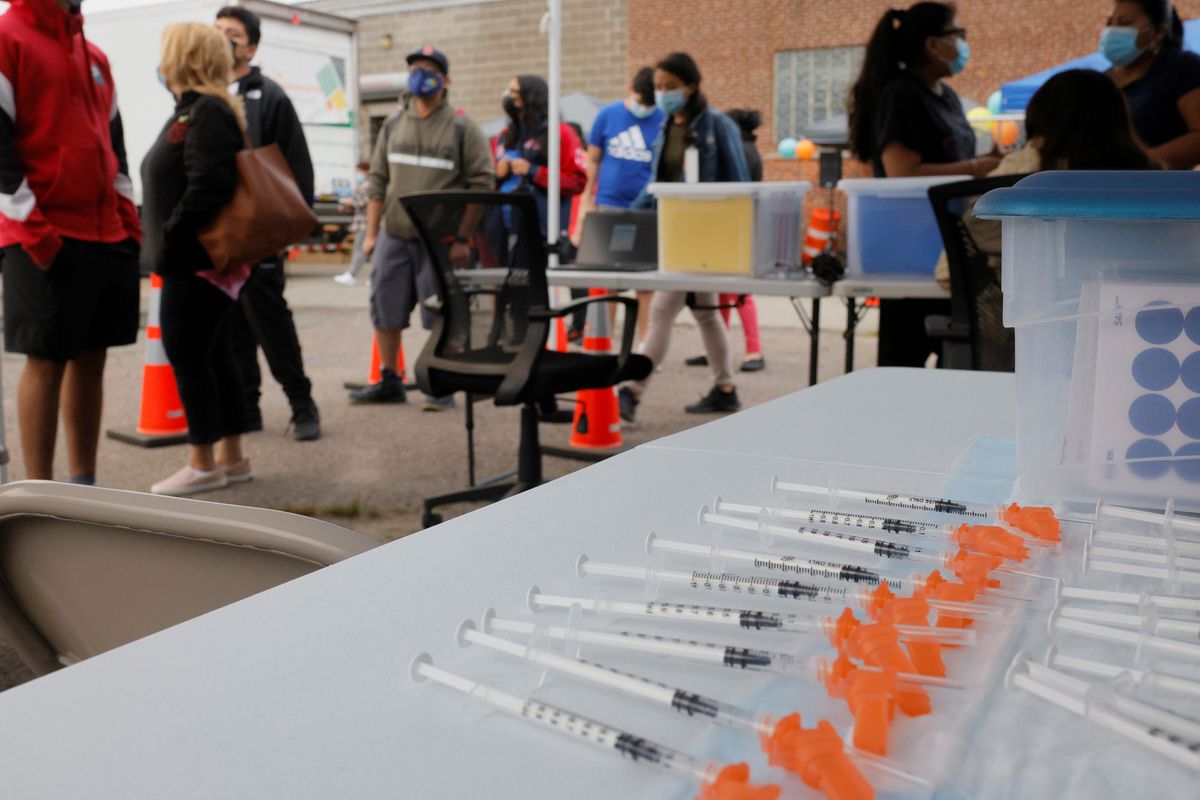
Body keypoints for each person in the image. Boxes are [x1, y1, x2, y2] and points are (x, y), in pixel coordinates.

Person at [0, 0, 142, 485]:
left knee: (92, 357)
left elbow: (116, 147)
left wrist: (129, 225)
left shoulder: (93, 54)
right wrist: (38, 236)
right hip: (42, 234)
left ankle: (84, 487)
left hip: (106, 232)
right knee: (46, 360)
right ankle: (39, 495)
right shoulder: (8, 39)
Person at [847, 1, 1000, 369]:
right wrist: (978, 168)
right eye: (957, 34)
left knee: (956, 365)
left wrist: (989, 161)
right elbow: (902, 172)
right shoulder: (901, 95)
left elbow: (952, 160)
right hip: (911, 251)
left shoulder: (947, 97)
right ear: (932, 44)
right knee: (904, 369)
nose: (963, 43)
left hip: (951, 248)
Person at [350, 46, 493, 409]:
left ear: (446, 80)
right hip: (394, 235)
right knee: (385, 308)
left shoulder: (462, 127)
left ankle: (440, 383)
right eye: (414, 68)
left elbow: (482, 185)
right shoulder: (395, 122)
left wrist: (462, 238)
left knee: (441, 315)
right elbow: (378, 179)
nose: (420, 75)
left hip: (440, 241)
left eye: (428, 69)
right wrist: (372, 234)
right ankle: (389, 379)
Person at [141, 23, 251, 496]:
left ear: (183, 56)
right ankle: (232, 457)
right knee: (215, 355)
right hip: (198, 260)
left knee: (189, 356)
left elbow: (209, 183)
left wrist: (170, 235)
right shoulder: (199, 109)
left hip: (194, 260)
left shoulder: (205, 111)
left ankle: (203, 462)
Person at [619, 52, 750, 424]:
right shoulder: (667, 128)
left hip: (704, 236)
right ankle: (725, 388)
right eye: (659, 86)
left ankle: (632, 391)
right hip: (677, 234)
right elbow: (657, 184)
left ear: (691, 86)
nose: (663, 93)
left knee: (662, 310)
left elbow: (740, 184)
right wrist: (625, 216)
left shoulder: (717, 125)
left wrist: (733, 235)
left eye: (671, 86)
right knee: (706, 313)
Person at [216, 6, 321, 441]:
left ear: (251, 48)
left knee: (270, 320)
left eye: (233, 34)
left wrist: (286, 232)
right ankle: (247, 408)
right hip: (223, 235)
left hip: (260, 234)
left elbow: (297, 166)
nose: (222, 39)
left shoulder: (269, 96)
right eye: (217, 31)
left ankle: (302, 404)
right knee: (231, 324)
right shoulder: (208, 94)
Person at [574, 67, 662, 345]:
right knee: (606, 280)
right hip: (609, 207)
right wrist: (587, 201)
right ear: (630, 89)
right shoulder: (608, 115)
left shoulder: (663, 118)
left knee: (646, 285)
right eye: (642, 99)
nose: (644, 108)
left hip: (647, 211)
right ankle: (603, 342)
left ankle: (645, 345)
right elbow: (593, 160)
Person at [686, 107, 766, 372]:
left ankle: (754, 351)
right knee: (724, 292)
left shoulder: (742, 151)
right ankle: (717, 348)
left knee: (740, 293)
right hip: (734, 227)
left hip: (735, 229)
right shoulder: (747, 149)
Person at [1102, 0, 1200, 169]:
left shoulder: (1183, 68)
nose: (1112, 30)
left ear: (1158, 32)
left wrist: (1137, 166)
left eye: (1125, 23)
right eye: (1110, 23)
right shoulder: (1101, 81)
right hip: (1099, 182)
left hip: (1158, 182)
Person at [334, 161, 372, 287]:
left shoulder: (368, 185)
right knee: (365, 250)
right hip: (362, 222)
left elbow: (365, 202)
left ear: (365, 171)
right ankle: (372, 276)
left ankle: (351, 275)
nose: (357, 174)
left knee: (360, 249)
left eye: (359, 171)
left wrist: (348, 202)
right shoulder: (365, 184)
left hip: (365, 223)